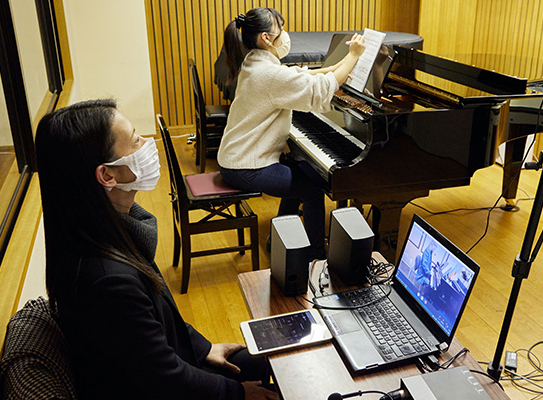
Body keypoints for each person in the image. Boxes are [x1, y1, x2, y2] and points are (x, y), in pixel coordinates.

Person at [35, 99, 278, 400]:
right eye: (135, 141)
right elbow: (164, 379)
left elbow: (155, 326)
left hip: (161, 371)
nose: (147, 144)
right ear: (107, 175)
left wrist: (203, 349)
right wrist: (238, 394)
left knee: (262, 360)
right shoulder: (108, 281)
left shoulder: (110, 229)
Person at [217, 7, 366, 260]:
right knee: (312, 189)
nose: (285, 34)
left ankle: (279, 237)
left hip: (235, 159)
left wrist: (340, 65)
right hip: (245, 167)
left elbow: (299, 75)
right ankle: (316, 257)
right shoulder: (269, 74)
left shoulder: (254, 62)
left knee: (300, 174)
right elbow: (319, 89)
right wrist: (353, 56)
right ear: (266, 37)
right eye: (281, 29)